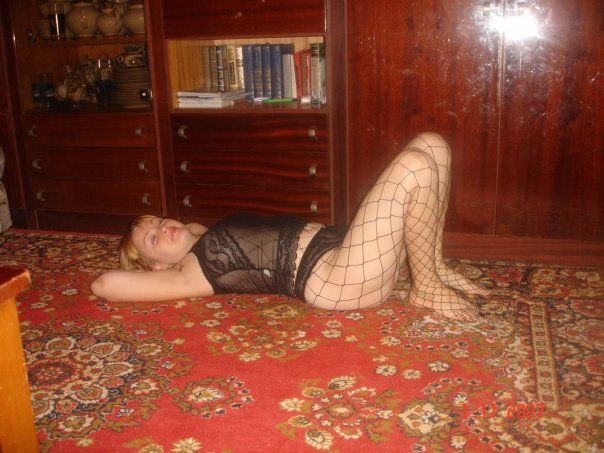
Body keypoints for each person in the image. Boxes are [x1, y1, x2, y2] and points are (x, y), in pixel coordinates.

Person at [91, 132, 488, 321]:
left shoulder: (201, 235)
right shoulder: (189, 272)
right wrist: (148, 269)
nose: (162, 227)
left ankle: (433, 267)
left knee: (432, 144)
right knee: (414, 166)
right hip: (336, 279)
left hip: (340, 245)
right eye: (152, 238)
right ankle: (425, 288)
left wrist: (182, 232)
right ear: (156, 265)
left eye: (158, 220)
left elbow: (189, 228)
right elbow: (103, 285)